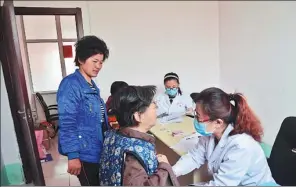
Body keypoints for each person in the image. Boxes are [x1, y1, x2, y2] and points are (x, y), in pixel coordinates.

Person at [172, 87, 276, 186]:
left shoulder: (241, 145)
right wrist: (171, 172)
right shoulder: (210, 134)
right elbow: (195, 157)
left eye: (198, 116)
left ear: (218, 122)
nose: (195, 119)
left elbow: (221, 184)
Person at [99, 85, 180, 186]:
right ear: (138, 116)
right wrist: (164, 167)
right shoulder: (132, 154)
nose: (156, 107)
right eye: (153, 105)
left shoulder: (113, 135)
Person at [57, 35, 110, 186]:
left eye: (101, 62)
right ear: (80, 59)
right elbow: (67, 123)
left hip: (96, 148)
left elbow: (98, 119)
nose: (98, 66)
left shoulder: (91, 85)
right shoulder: (71, 85)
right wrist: (73, 156)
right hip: (84, 153)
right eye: (94, 61)